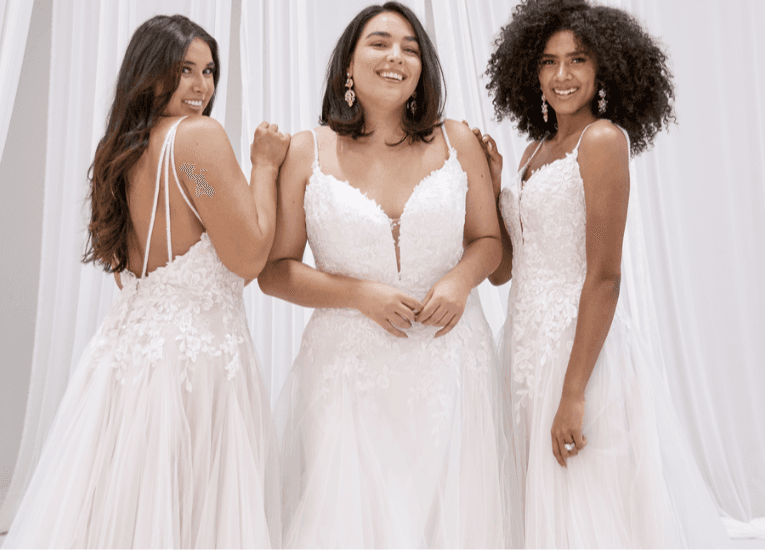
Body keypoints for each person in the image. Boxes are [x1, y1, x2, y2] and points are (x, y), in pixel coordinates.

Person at [3, 15, 286, 548]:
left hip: (125, 362)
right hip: (193, 367)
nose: (201, 86)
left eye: (208, 71)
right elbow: (249, 256)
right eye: (184, 70)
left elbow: (134, 272)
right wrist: (264, 165)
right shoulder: (196, 140)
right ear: (150, 73)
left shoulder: (121, 151)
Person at [258, 2, 518, 547]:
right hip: (349, 369)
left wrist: (459, 280)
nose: (396, 56)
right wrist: (358, 295)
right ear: (348, 65)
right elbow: (276, 273)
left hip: (450, 359)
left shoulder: (458, 140)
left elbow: (489, 241)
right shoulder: (306, 151)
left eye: (410, 47)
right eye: (379, 43)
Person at [474, 0, 732, 546]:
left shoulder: (603, 141)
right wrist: (496, 185)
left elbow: (606, 275)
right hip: (523, 349)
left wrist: (574, 391)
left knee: (582, 506)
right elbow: (503, 273)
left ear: (604, 68)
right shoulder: (534, 151)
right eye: (548, 61)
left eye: (578, 60)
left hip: (580, 352)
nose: (562, 75)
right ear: (531, 70)